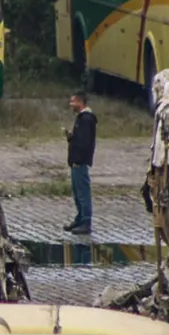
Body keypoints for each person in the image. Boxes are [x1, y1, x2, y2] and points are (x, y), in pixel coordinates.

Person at [63, 90, 97, 235]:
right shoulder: (81, 118)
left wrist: (77, 157)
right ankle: (79, 218)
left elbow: (84, 142)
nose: (71, 104)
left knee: (83, 193)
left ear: (80, 102)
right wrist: (71, 137)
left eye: (73, 101)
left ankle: (85, 221)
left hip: (80, 161)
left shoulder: (86, 119)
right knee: (77, 193)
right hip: (76, 161)